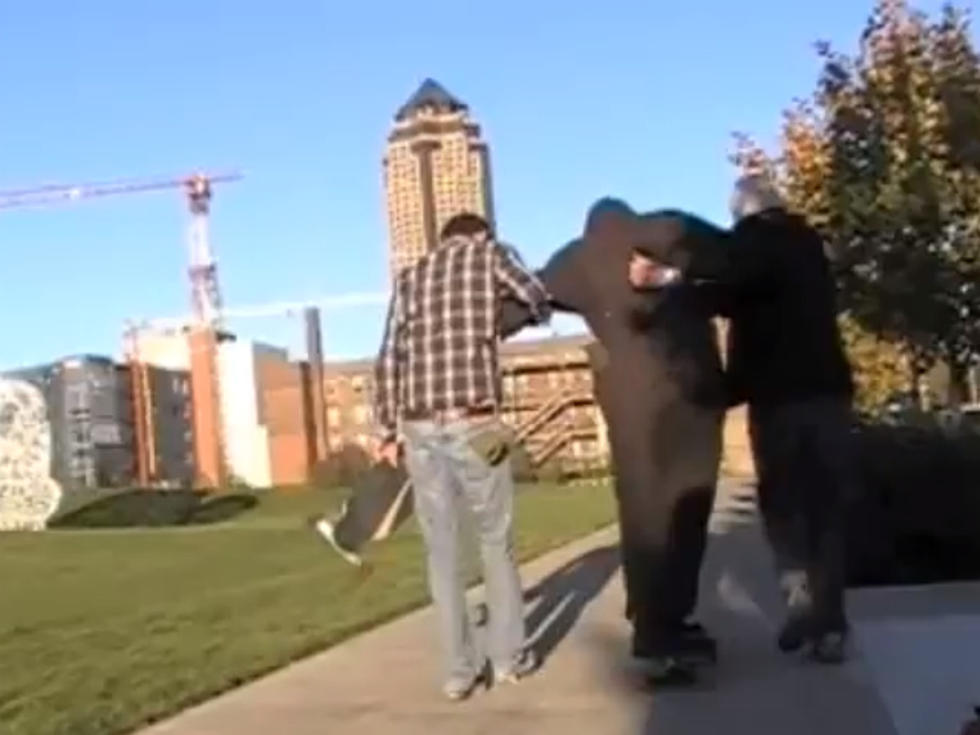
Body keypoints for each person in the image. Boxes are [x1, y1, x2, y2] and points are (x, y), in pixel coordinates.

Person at [500, 199, 727, 685]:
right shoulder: (664, 227)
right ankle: (672, 618)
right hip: (696, 390)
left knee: (645, 509)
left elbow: (519, 306)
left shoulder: (576, 259)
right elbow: (730, 259)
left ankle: (652, 625)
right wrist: (678, 276)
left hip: (633, 399)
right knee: (690, 502)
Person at [630, 174, 855, 663]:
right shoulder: (809, 243)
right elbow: (742, 287)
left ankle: (801, 604)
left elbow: (725, 286)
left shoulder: (755, 243)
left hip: (777, 398)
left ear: (743, 213)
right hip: (829, 392)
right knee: (827, 512)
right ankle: (830, 623)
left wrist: (666, 283)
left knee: (783, 508)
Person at [373, 212, 551, 700]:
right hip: (474, 420)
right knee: (495, 539)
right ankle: (509, 658)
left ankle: (458, 671)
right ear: (479, 235)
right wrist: (513, 312)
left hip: (419, 425)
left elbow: (390, 356)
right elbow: (537, 295)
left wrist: (386, 429)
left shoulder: (409, 278)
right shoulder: (488, 256)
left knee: (442, 551)